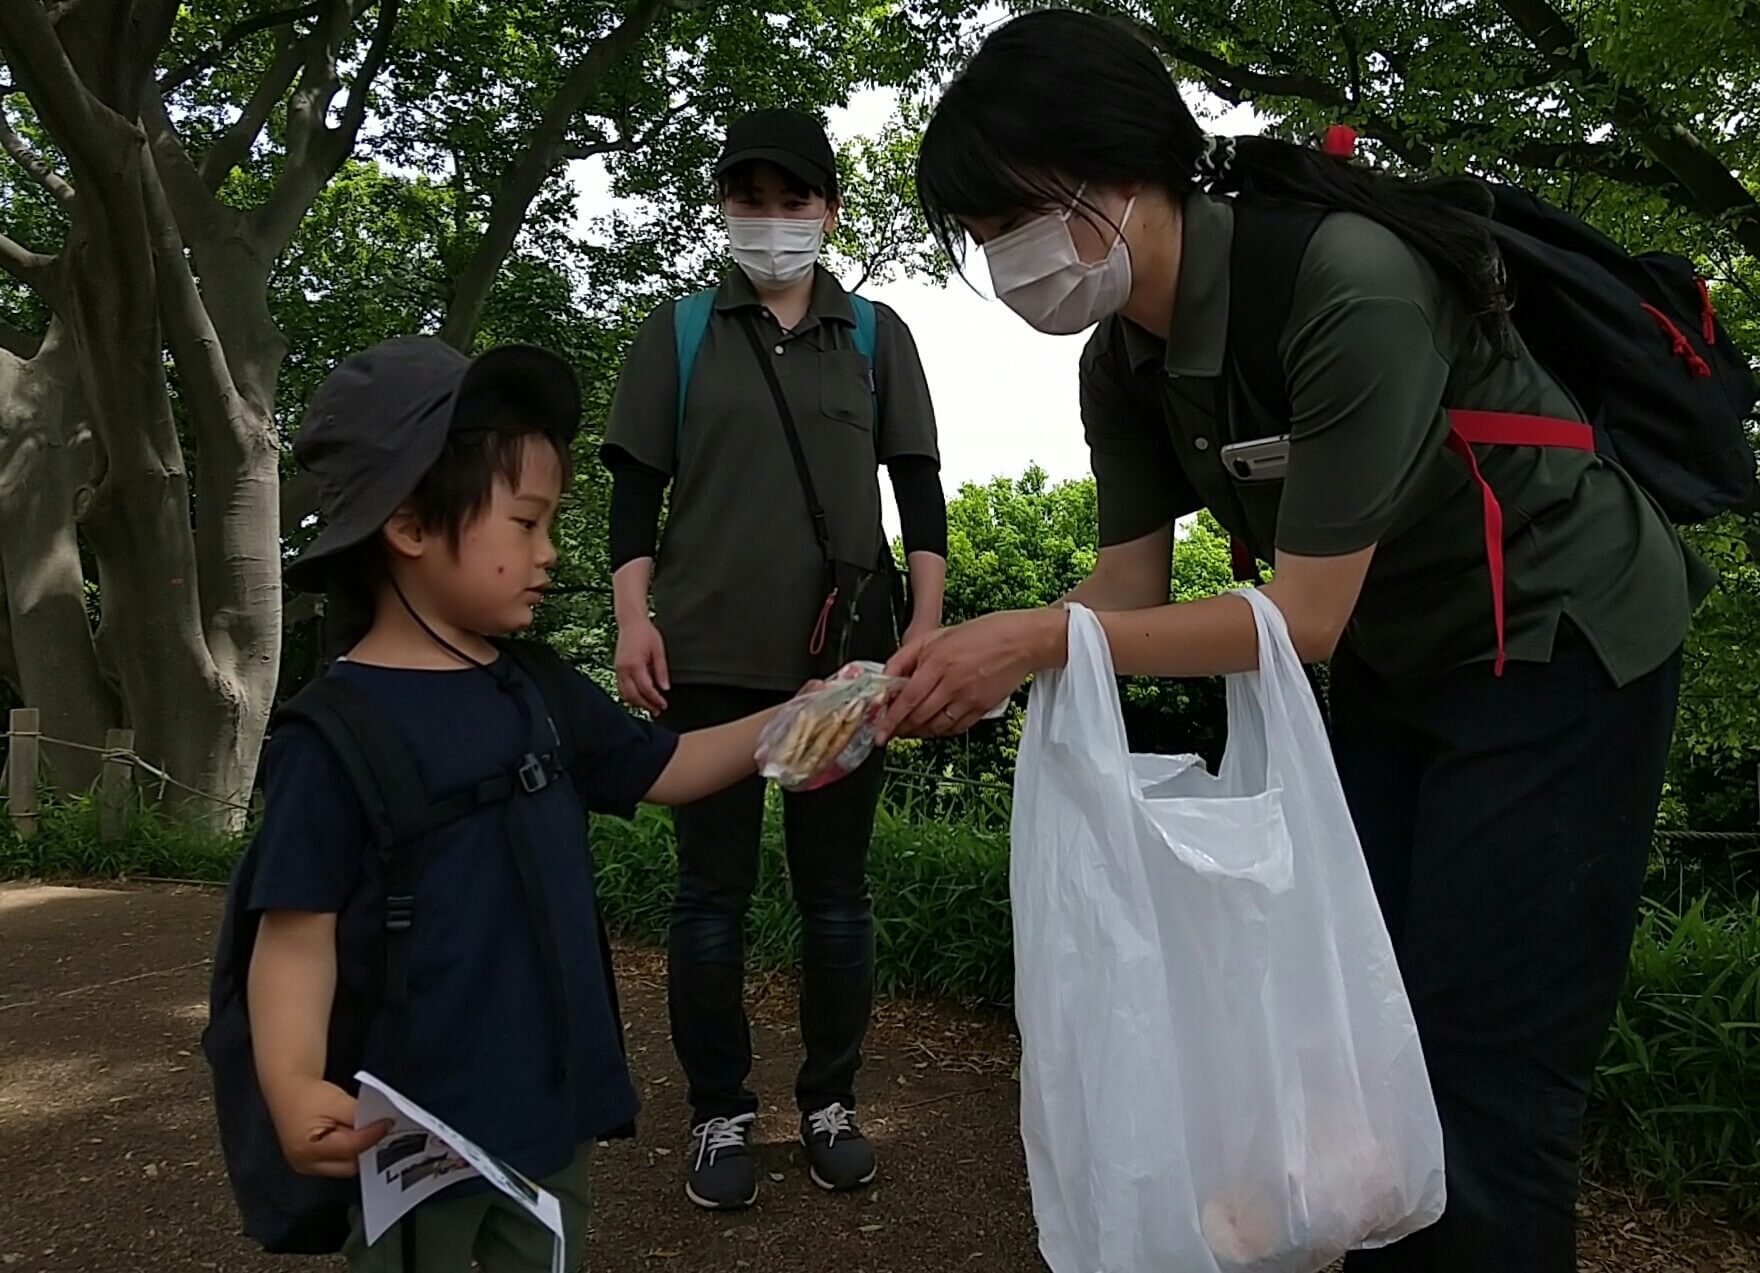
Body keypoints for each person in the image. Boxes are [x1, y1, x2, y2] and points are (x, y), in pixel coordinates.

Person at [891, 11, 1702, 1272]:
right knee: (1352, 1031)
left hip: (1558, 642)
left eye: (1016, 220)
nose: (1007, 262)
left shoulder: (1347, 281)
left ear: (1122, 171)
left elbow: (1300, 621)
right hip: (1397, 659)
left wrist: (1033, 643)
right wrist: (961, 661)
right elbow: (1121, 588)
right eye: (983, 240)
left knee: (1484, 1063)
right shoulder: (1125, 361)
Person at [251, 335, 801, 1272]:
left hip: (549, 1118)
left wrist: (797, 720)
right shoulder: (334, 736)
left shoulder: (537, 686)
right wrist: (295, 1082)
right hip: (415, 1142)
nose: (549, 553)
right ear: (412, 523)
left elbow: (662, 767)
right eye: (526, 523)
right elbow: (293, 935)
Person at [601, 107, 948, 1210]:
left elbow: (919, 488)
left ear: (830, 211)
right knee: (710, 896)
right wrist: (630, 617)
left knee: (836, 898)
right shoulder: (681, 330)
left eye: (792, 199)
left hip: (844, 671)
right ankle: (718, 1113)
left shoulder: (880, 335)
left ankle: (830, 1102)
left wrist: (925, 627)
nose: (771, 220)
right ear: (723, 212)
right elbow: (630, 491)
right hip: (701, 654)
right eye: (749, 199)